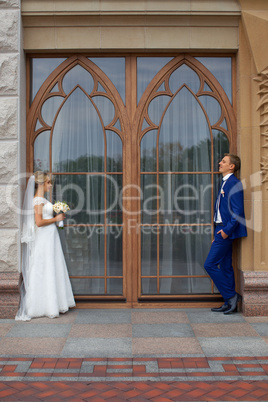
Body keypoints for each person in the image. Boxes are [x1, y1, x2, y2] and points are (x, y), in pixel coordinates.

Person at [16, 171, 75, 321]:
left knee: (52, 265)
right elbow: (39, 222)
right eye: (49, 182)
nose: (51, 185)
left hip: (50, 237)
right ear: (41, 183)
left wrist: (56, 214)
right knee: (44, 266)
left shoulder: (42, 199)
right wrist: (56, 218)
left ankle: (56, 302)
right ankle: (43, 305)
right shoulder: (38, 200)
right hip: (45, 237)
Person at [204, 154, 247, 315]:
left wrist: (226, 232)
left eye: (223, 161)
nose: (219, 163)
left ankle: (232, 296)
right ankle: (229, 302)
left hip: (226, 230)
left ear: (232, 166)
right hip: (221, 229)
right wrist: (219, 231)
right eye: (221, 161)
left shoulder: (234, 183)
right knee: (226, 266)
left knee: (209, 264)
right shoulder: (225, 183)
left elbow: (238, 212)